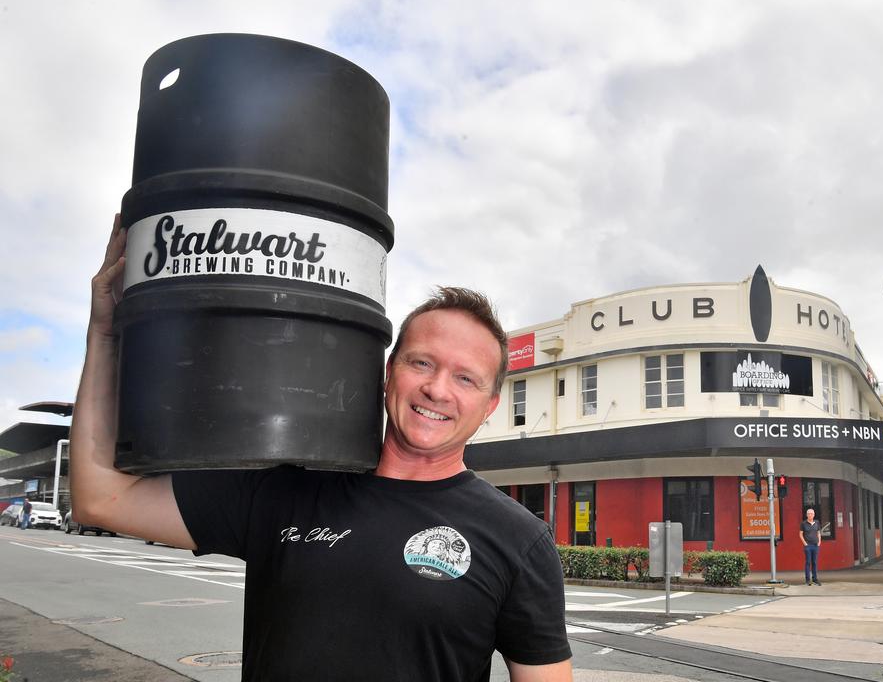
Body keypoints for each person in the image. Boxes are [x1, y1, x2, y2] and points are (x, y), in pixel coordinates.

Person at [71, 216, 573, 681]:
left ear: (490, 404)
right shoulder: (285, 487)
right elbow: (101, 500)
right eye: (421, 363)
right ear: (387, 372)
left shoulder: (519, 541)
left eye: (465, 378)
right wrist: (105, 334)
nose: (438, 390)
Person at [800, 507, 821, 586]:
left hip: (815, 545)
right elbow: (800, 534)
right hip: (808, 546)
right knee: (808, 562)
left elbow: (818, 533)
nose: (810, 515)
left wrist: (819, 542)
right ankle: (808, 580)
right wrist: (805, 543)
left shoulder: (817, 523)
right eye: (808, 514)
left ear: (814, 515)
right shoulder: (803, 523)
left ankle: (815, 579)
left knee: (814, 562)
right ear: (806, 515)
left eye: (811, 514)